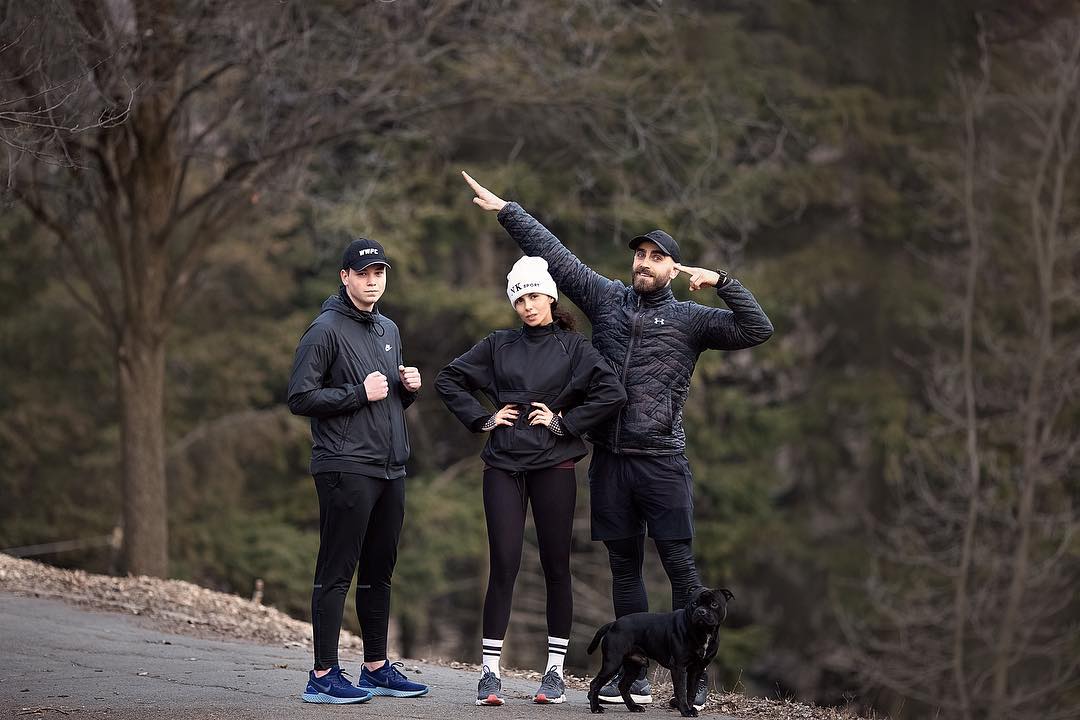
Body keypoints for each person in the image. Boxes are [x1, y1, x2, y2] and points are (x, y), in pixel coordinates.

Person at [462, 171, 774, 710]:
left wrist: (721, 280)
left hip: (663, 462)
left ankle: (695, 676)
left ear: (672, 268)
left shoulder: (693, 320)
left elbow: (757, 328)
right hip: (610, 462)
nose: (643, 262)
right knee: (624, 570)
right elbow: (556, 258)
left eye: (656, 256)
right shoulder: (606, 299)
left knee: (680, 567)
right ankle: (638, 677)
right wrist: (508, 209)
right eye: (639, 255)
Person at [436, 256, 626, 706]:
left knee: (557, 566)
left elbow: (612, 393)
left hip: (554, 466)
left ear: (550, 297)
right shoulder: (499, 344)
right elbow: (449, 379)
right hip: (503, 464)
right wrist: (483, 418)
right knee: (503, 562)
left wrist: (565, 422)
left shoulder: (574, 348)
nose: (527, 305)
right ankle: (489, 674)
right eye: (519, 298)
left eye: (534, 295)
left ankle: (555, 674)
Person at [288, 237, 429, 704]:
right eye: (364, 273)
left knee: (379, 571)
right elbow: (300, 398)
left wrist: (405, 390)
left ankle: (374, 668)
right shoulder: (323, 329)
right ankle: (323, 674)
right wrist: (355, 393)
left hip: (390, 467)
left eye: (380, 273)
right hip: (344, 466)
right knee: (336, 571)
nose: (373, 281)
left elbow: (382, 399)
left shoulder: (387, 328)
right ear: (344, 276)